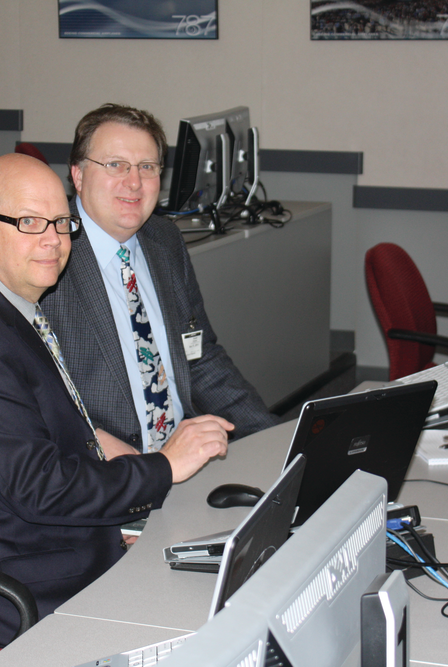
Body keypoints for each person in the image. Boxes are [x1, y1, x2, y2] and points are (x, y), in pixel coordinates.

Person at [0, 153, 231, 647]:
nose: (53, 240)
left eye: (60, 222)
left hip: (46, 545)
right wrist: (163, 468)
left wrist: (126, 475)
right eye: (28, 223)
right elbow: (41, 489)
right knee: (212, 617)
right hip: (18, 591)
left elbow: (42, 434)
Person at [40, 104, 278, 454]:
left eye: (147, 167)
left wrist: (275, 438)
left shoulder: (164, 240)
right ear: (77, 175)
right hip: (108, 472)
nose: (134, 182)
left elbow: (200, 357)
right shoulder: (47, 253)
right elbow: (41, 404)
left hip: (187, 454)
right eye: (115, 165)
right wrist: (147, 471)